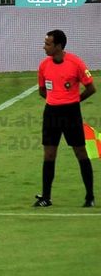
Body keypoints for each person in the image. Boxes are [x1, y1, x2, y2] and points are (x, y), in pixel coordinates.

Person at [34, 29, 96, 207]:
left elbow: (91, 88)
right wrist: (56, 100)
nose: (44, 47)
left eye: (48, 44)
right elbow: (42, 91)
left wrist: (74, 101)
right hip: (51, 113)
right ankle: (46, 197)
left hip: (71, 113)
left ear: (58, 46)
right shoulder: (44, 65)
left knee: (80, 152)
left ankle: (89, 197)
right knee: (49, 154)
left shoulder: (75, 63)